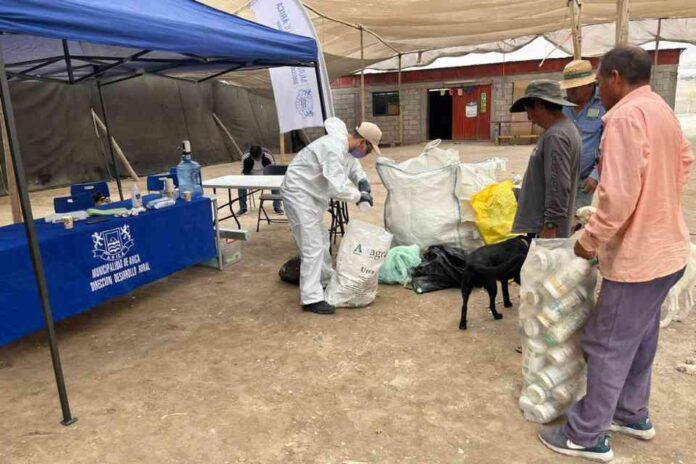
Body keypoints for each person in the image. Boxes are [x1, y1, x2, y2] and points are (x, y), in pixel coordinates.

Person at [539, 46, 693, 463]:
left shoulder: (624, 117)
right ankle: (631, 413)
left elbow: (619, 195)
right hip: (669, 251)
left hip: (640, 258)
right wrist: (657, 203)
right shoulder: (659, 109)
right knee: (640, 338)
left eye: (599, 81)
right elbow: (684, 161)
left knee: (605, 342)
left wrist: (588, 241)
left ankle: (587, 434)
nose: (597, 91)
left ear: (615, 77)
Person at [281, 118, 380, 315]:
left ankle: (325, 281)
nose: (365, 155)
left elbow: (353, 167)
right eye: (368, 150)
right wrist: (360, 196)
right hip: (299, 195)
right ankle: (311, 298)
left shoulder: (345, 148)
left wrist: (362, 182)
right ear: (362, 143)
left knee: (322, 241)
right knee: (312, 247)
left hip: (311, 198)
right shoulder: (333, 147)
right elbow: (337, 187)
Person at [510, 79, 582, 239]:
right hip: (546, 225)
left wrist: (550, 226)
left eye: (528, 109)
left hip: (545, 229)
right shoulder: (565, 129)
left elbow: (558, 185)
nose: (529, 117)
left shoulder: (556, 136)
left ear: (539, 104)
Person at [560, 60, 607, 210]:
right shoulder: (562, 106)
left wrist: (596, 175)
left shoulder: (604, 104)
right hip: (560, 176)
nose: (570, 92)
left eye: (575, 87)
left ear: (589, 85)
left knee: (576, 219)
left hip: (585, 179)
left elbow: (608, 145)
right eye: (568, 88)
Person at [236, 145, 283, 216]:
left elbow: (273, 171)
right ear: (251, 155)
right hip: (251, 178)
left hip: (267, 178)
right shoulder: (246, 158)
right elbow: (244, 172)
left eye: (259, 157)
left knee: (275, 185)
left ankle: (277, 207)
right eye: (255, 158)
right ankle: (243, 208)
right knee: (241, 187)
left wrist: (267, 179)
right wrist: (250, 179)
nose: (257, 159)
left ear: (262, 153)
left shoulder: (268, 157)